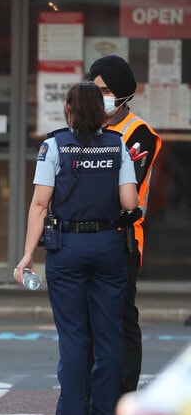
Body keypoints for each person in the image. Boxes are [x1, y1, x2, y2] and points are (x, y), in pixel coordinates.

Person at [15, 81, 138, 415]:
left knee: (72, 333)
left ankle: (70, 413)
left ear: (68, 109)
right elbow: (129, 203)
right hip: (108, 245)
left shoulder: (53, 146)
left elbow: (40, 204)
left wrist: (27, 256)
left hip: (67, 247)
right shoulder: (118, 145)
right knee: (109, 334)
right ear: (102, 112)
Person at [87, 55, 162, 397]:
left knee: (119, 321)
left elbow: (123, 189)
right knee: (85, 322)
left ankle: (122, 397)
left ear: (123, 95)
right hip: (83, 238)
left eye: (105, 90)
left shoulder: (138, 133)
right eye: (94, 89)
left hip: (122, 238)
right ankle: (88, 398)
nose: (99, 96)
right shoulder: (83, 130)